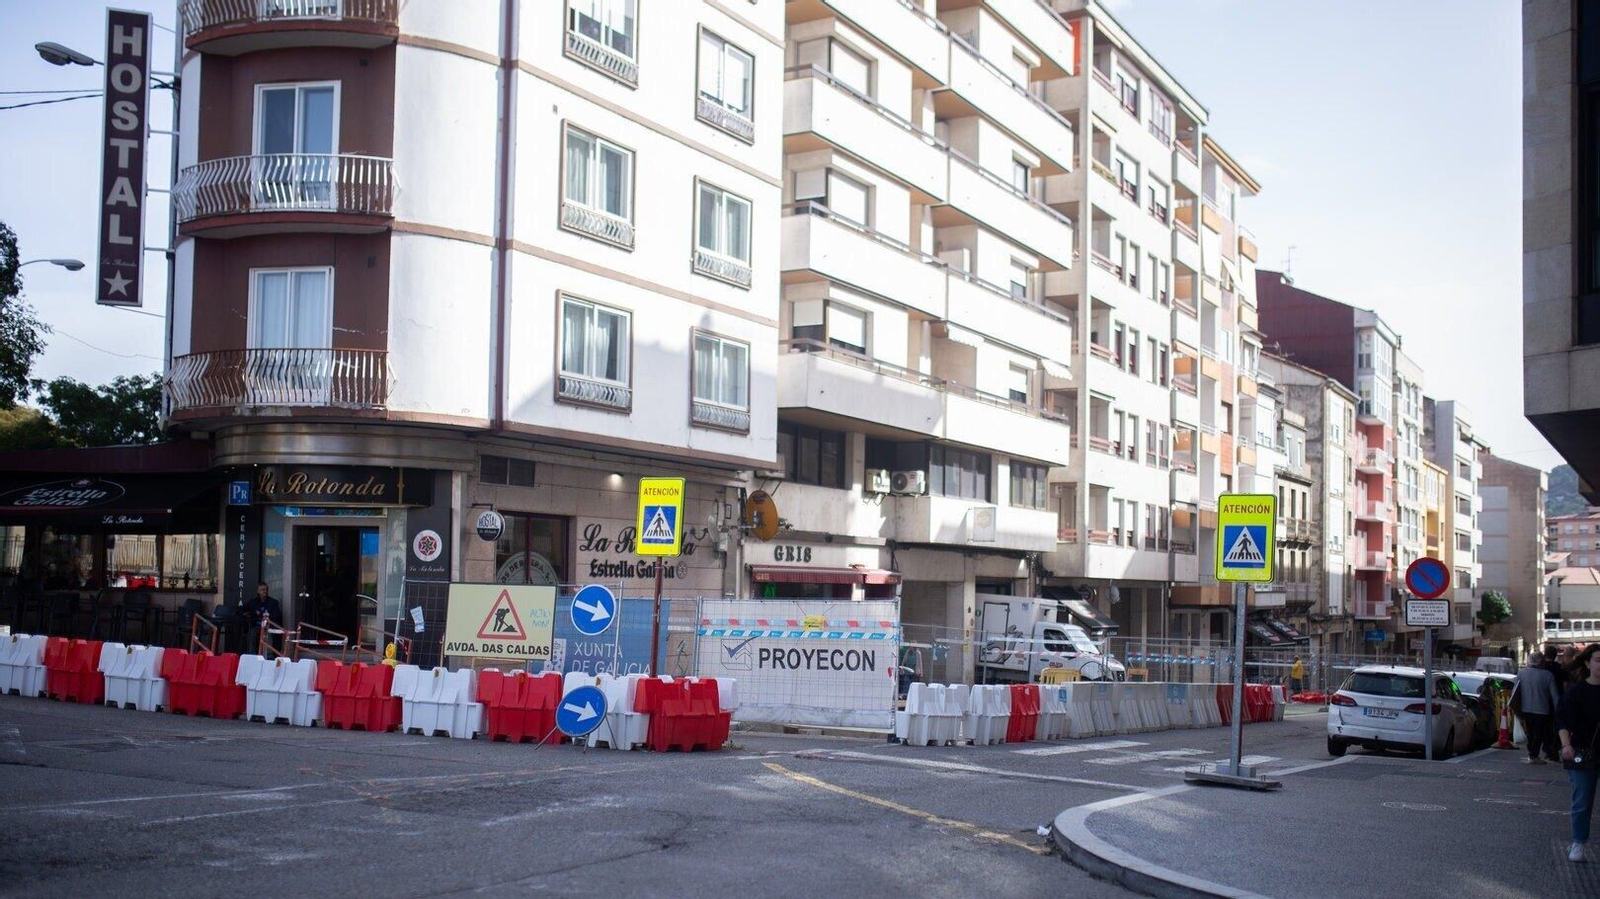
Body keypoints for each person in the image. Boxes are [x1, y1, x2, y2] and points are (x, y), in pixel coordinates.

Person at [1557, 643, 1600, 863]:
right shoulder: (1576, 692)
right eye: (1598, 660)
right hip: (1583, 752)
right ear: (1587, 663)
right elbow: (1563, 720)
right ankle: (1579, 842)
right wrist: (1566, 745)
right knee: (1582, 799)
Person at [1514, 650, 1562, 764]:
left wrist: (1515, 707)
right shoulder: (1548, 675)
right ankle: (1534, 755)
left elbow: (1515, 691)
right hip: (1543, 709)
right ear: (1542, 662)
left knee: (1530, 732)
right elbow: (1554, 695)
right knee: (1539, 733)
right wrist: (1559, 710)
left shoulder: (1521, 673)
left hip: (1526, 708)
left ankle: (1532, 754)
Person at [241, 582, 283, 654]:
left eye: (266, 589)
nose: (265, 591)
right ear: (258, 591)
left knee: (268, 635)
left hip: (268, 625)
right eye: (263, 590)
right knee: (252, 634)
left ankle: (269, 656)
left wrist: (265, 616)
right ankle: (252, 655)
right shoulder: (253, 602)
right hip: (256, 625)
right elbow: (243, 609)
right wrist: (246, 614)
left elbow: (277, 615)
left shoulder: (273, 602)